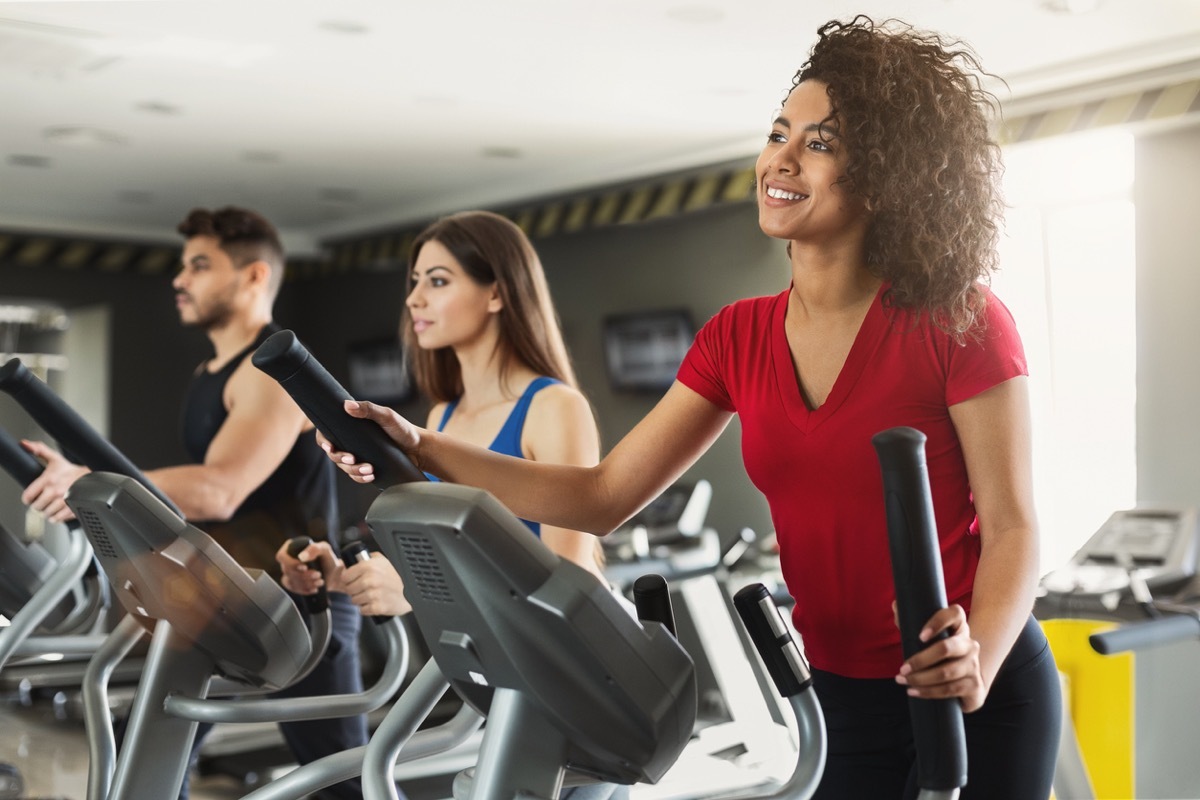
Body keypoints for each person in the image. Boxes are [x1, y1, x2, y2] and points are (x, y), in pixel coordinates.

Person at [312, 17, 1063, 800]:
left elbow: (1012, 525)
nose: (781, 157)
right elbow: (601, 497)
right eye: (780, 132)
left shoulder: (960, 322)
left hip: (976, 687)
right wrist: (418, 445)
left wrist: (980, 649)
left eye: (819, 142)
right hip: (843, 691)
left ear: (883, 176)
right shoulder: (738, 338)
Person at [20, 207, 369, 800]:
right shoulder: (211, 372)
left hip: (296, 609)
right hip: (228, 603)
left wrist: (89, 479)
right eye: (183, 266)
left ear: (254, 276)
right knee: (147, 754)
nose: (180, 280)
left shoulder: (269, 371)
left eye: (200, 266)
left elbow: (219, 488)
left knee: (343, 784)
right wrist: (91, 485)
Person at [277, 210, 625, 800]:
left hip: (578, 685)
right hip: (505, 681)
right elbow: (445, 559)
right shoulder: (442, 419)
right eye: (414, 281)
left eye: (437, 280)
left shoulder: (553, 407)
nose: (415, 298)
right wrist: (351, 581)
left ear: (496, 293)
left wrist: (414, 591)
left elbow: (568, 583)